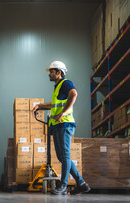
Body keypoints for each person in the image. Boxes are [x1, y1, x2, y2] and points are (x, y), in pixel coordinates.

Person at [32, 61, 90, 195]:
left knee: (65, 155)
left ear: (59, 72)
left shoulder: (65, 83)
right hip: (58, 125)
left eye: (51, 71)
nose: (49, 74)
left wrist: (63, 113)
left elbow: (74, 94)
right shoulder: (57, 87)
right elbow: (55, 105)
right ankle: (81, 183)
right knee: (61, 156)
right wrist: (40, 105)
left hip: (65, 124)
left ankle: (63, 185)